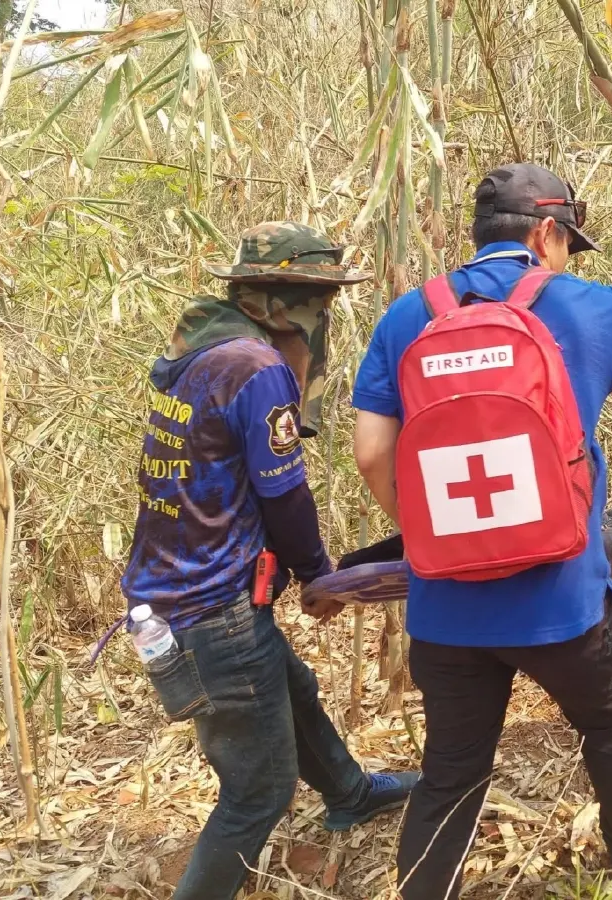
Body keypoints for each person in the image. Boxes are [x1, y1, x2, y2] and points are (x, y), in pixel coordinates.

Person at [352, 163, 612, 899]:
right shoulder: (589, 308)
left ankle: (424, 889)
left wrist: (430, 537)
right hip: (563, 596)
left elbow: (370, 454)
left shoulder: (405, 317)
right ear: (546, 233)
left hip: (447, 606)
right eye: (566, 244)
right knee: (609, 727)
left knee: (452, 768)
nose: (565, 259)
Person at [120, 222, 418, 900]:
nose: (324, 324)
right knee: (257, 792)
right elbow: (283, 494)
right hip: (211, 612)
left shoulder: (202, 347)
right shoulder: (257, 369)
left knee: (293, 690)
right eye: (322, 307)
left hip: (176, 599)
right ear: (290, 306)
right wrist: (317, 574)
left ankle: (350, 792)